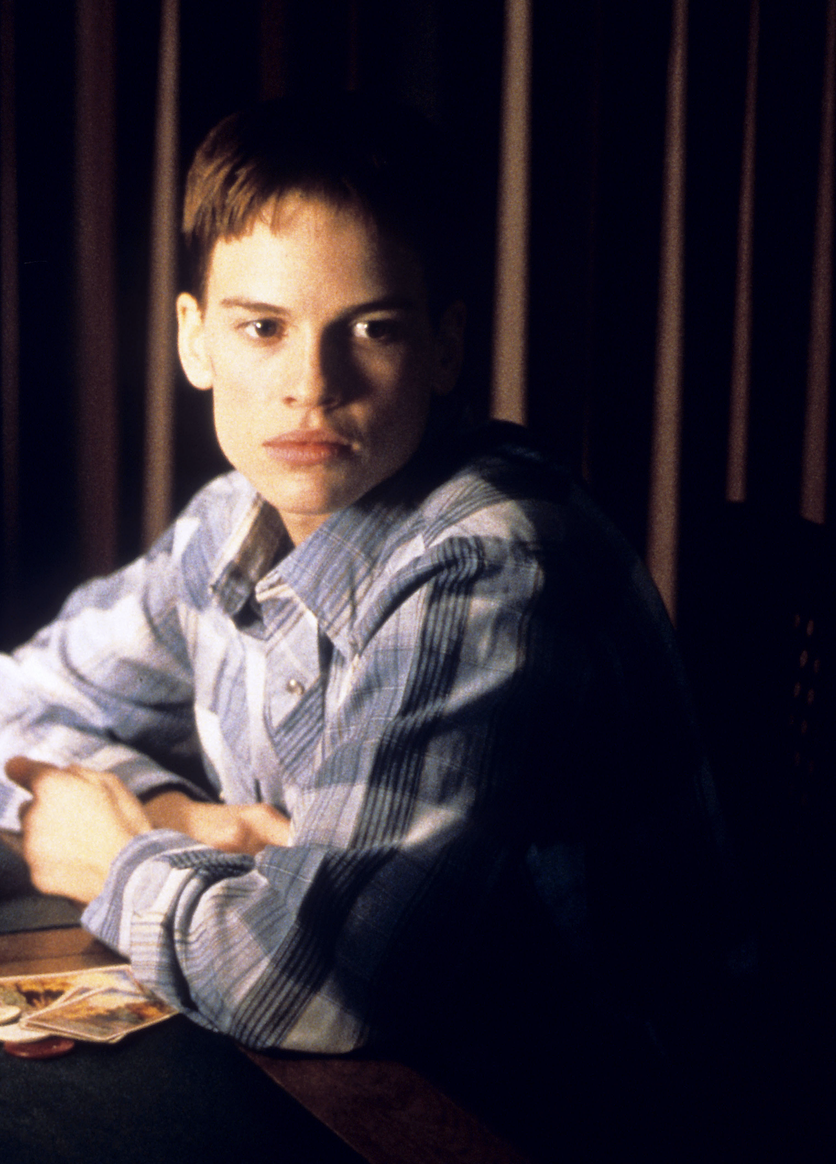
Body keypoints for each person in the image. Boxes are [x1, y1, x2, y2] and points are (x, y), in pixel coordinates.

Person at [0, 94, 751, 1155]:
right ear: (193, 340)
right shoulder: (233, 519)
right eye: (262, 328)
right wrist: (186, 820)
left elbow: (314, 983)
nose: (310, 387)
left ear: (444, 348)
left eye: (372, 329)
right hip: (355, 1077)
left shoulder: (489, 567)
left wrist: (115, 860)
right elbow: (15, 702)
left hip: (562, 1114)